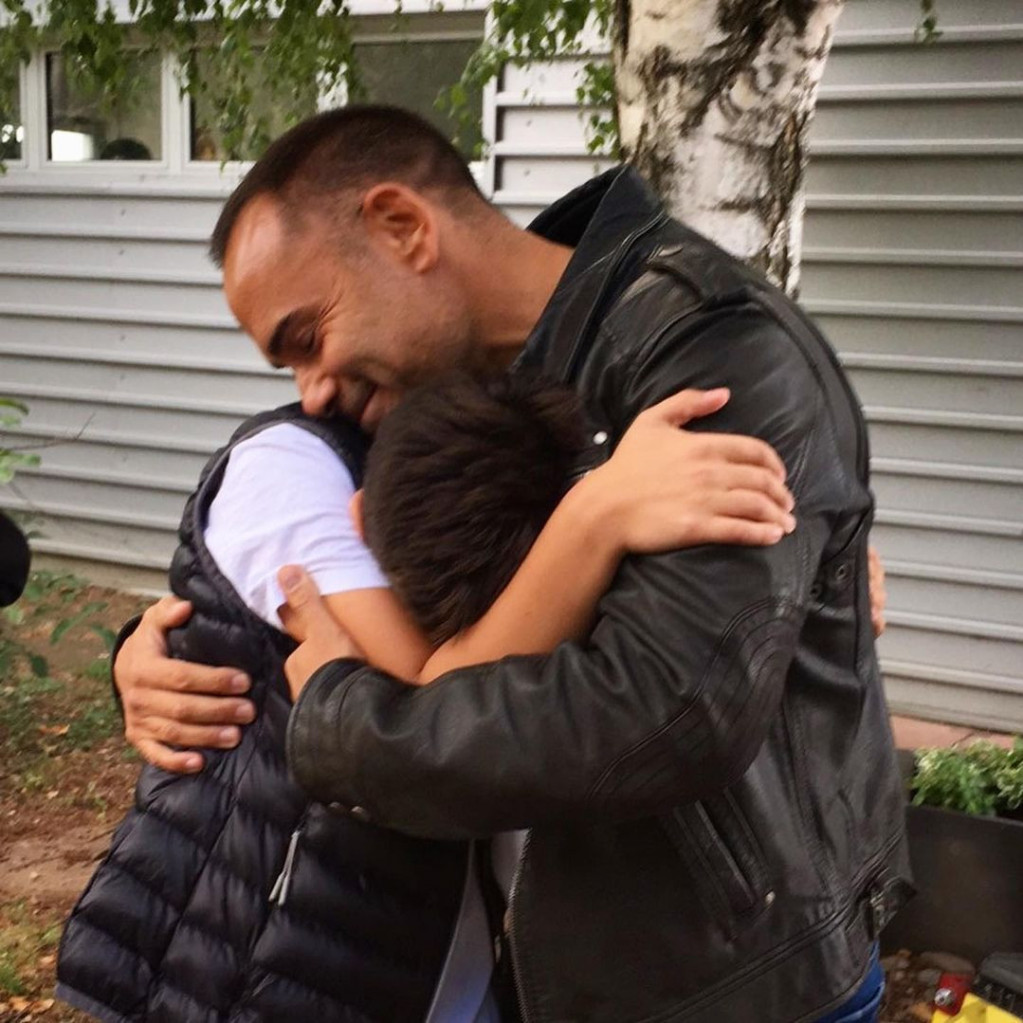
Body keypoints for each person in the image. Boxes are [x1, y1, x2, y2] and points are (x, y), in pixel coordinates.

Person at [112, 106, 909, 1022]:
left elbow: (658, 709)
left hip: (733, 984)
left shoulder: (709, 351)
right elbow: (340, 554)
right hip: (554, 968)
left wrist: (342, 727)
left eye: (307, 336)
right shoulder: (460, 371)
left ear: (402, 227)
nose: (312, 390)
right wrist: (152, 646)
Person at [59, 369, 789, 1021]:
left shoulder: (498, 472)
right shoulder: (289, 463)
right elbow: (432, 700)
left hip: (431, 970)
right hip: (250, 972)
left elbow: (445, 713)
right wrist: (596, 518)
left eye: (310, 336)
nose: (314, 385)